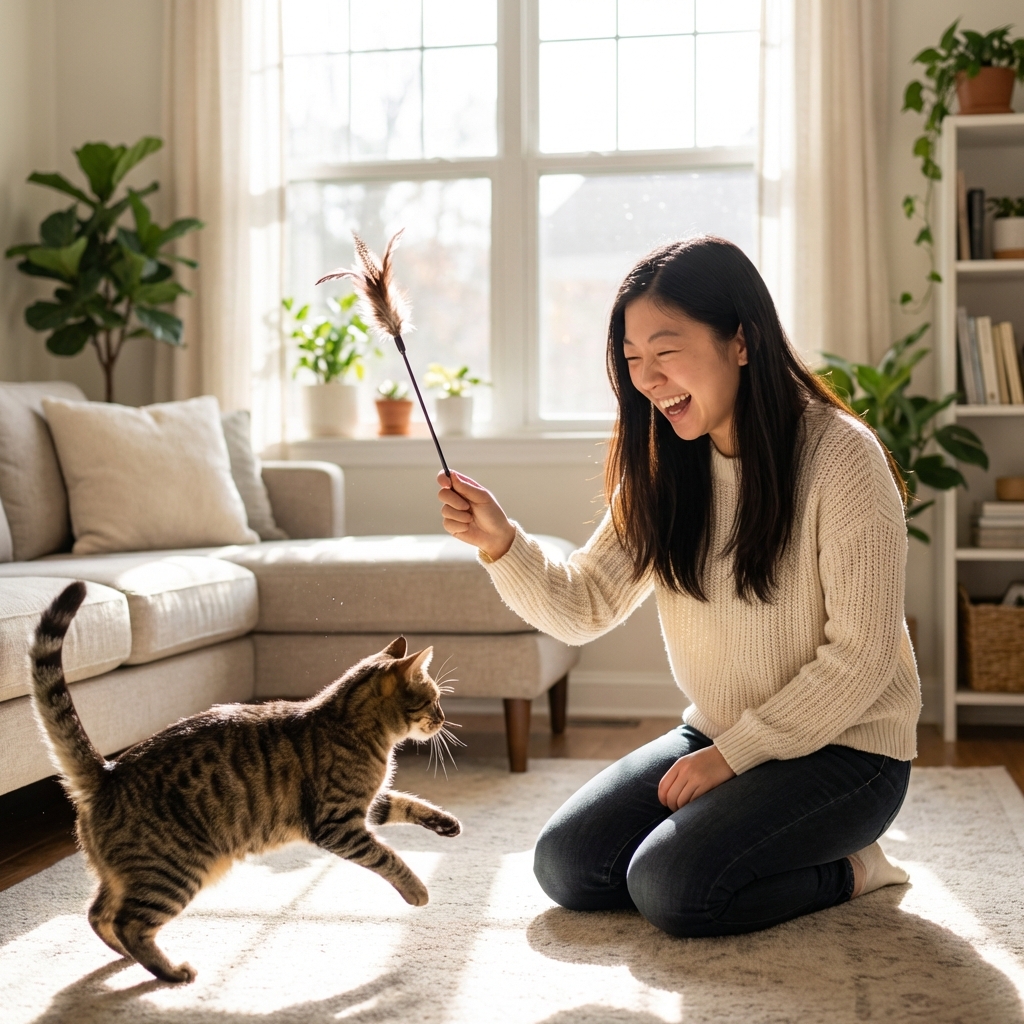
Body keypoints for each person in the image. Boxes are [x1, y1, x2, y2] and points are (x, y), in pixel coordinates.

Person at [436, 235, 920, 938]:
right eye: (633, 361)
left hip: (848, 754)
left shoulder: (841, 456)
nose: (649, 378)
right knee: (566, 865)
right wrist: (501, 543)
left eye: (666, 351)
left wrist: (731, 759)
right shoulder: (667, 468)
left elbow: (863, 658)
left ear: (743, 342)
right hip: (719, 732)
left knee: (672, 886)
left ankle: (855, 867)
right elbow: (583, 606)